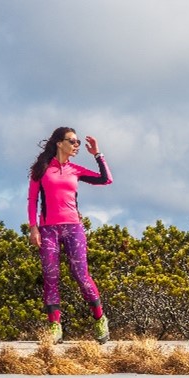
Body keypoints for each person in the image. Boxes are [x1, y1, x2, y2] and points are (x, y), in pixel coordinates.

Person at [27, 126, 113, 344]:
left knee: (81, 275)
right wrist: (33, 228)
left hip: (73, 228)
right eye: (72, 141)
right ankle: (55, 326)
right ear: (59, 143)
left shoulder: (75, 169)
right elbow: (32, 201)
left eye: (77, 142)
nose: (76, 146)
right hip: (48, 229)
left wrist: (97, 155)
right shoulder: (42, 170)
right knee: (51, 276)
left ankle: (100, 318)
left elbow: (105, 179)